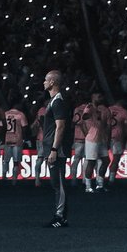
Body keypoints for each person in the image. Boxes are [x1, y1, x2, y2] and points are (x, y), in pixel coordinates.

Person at [42, 70, 71, 228]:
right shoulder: (54, 101)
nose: (44, 82)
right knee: (56, 183)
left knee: (59, 183)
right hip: (52, 148)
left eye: (46, 80)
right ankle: (59, 214)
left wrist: (54, 149)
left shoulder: (58, 101)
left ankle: (60, 217)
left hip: (56, 150)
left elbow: (61, 126)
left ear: (52, 82)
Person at [75, 92, 107, 194]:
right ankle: (88, 186)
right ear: (93, 97)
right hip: (92, 138)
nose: (100, 98)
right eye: (99, 96)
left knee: (106, 160)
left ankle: (100, 184)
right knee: (91, 162)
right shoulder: (90, 107)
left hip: (101, 138)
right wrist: (89, 113)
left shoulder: (100, 109)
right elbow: (84, 116)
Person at [2, 101, 30, 184]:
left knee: (6, 160)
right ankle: (14, 179)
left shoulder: (5, 114)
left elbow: (2, 127)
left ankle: (4, 176)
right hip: (17, 140)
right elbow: (25, 128)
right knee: (16, 161)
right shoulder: (20, 114)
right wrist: (26, 139)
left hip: (7, 139)